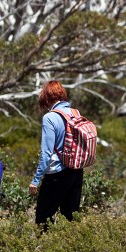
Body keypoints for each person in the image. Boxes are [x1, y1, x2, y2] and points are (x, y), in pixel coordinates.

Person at [29, 80, 84, 226]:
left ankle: (44, 248)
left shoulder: (50, 118)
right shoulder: (75, 113)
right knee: (71, 218)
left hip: (57, 173)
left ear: (46, 97)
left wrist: (35, 180)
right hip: (76, 170)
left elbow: (46, 153)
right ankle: (71, 247)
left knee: (43, 217)